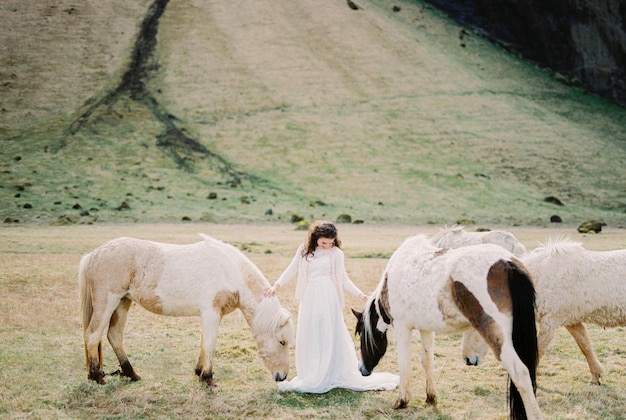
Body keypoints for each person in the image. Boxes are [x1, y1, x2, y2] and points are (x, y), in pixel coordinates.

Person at [264, 221, 398, 393]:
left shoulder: (336, 254)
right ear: (315, 239)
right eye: (323, 243)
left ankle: (329, 370)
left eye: (331, 242)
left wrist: (360, 294)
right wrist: (276, 286)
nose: (327, 246)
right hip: (310, 297)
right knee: (311, 331)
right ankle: (312, 370)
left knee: (328, 331)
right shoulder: (304, 250)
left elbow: (343, 278)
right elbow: (291, 269)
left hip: (328, 296)